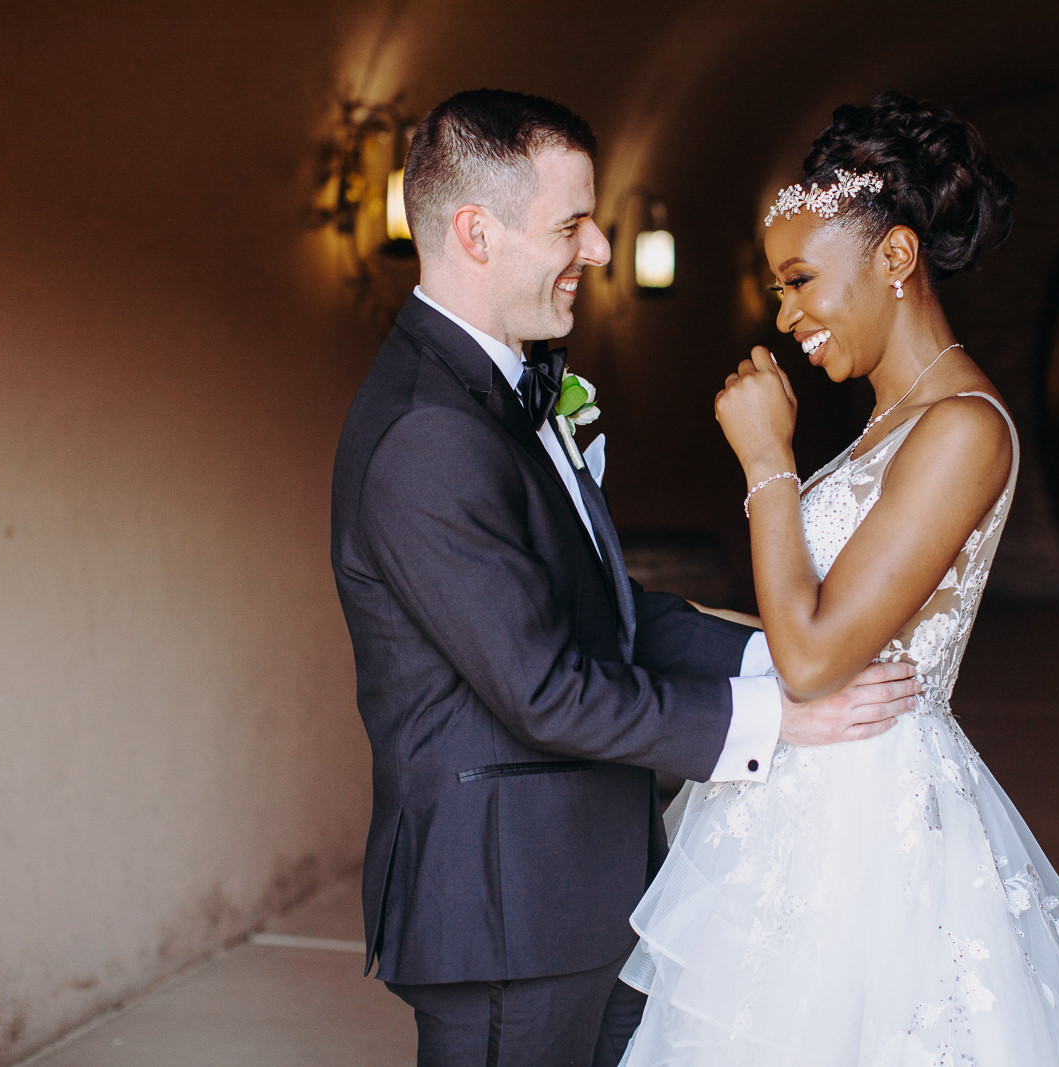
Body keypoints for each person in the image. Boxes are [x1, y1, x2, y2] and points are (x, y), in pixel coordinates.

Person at [617, 93, 1059, 1066]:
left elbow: (810, 656)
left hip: (869, 817)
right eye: (776, 287)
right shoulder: (884, 426)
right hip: (799, 792)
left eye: (800, 279)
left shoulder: (963, 428)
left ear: (895, 257)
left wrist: (765, 457)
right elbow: (800, 621)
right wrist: (644, 615)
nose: (784, 314)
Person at [330, 88, 919, 1067]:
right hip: (504, 907)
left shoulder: (510, 391)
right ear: (475, 234)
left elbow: (612, 616)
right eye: (571, 224)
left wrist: (789, 658)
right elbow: (542, 688)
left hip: (582, 890)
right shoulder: (428, 433)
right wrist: (782, 719)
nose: (599, 250)